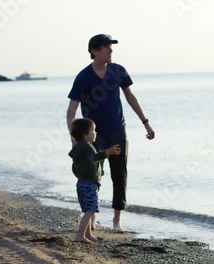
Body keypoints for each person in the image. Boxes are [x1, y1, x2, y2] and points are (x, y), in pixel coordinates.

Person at [66, 34, 155, 231]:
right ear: (94, 51)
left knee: (119, 174)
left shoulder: (118, 71)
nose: (110, 50)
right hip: (93, 135)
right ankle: (91, 218)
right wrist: (75, 138)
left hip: (117, 131)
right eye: (106, 47)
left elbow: (130, 97)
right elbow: (71, 110)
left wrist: (145, 123)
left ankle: (117, 220)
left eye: (111, 47)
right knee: (92, 175)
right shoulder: (83, 77)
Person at [68, 118, 121, 243]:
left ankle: (88, 234)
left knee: (89, 209)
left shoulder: (78, 146)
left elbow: (75, 167)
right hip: (88, 183)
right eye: (93, 130)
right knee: (91, 209)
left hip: (82, 183)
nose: (95, 133)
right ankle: (80, 235)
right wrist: (107, 152)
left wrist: (81, 175)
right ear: (84, 134)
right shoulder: (87, 146)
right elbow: (94, 158)